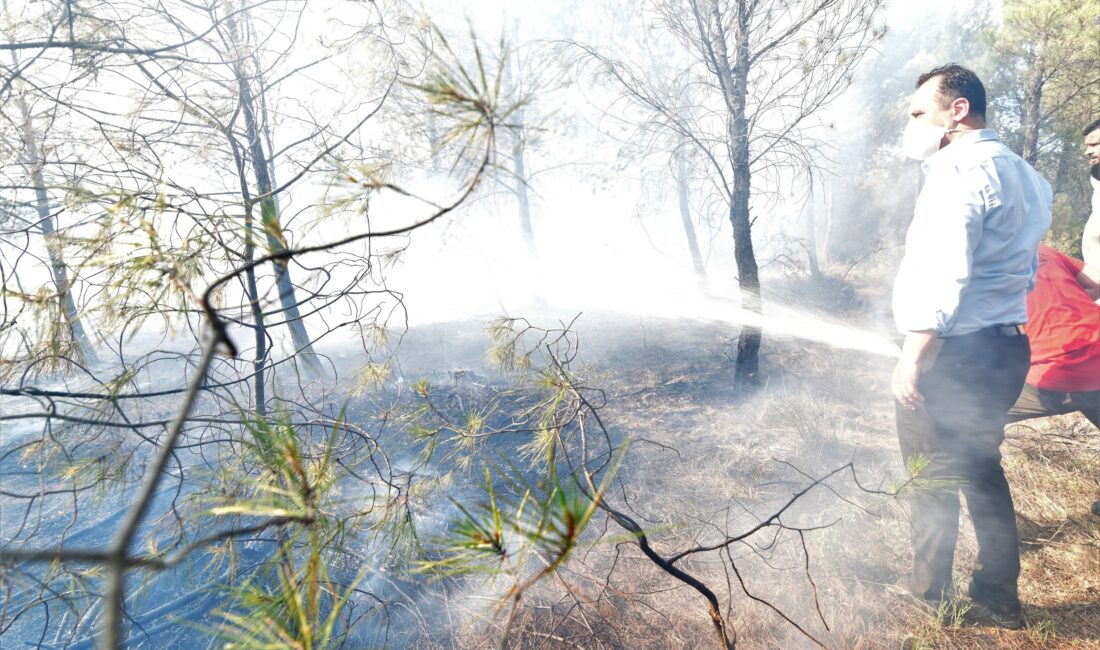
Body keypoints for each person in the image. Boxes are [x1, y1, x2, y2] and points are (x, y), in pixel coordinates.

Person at [890, 64, 1052, 629]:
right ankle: (998, 597)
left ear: (957, 110)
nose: (911, 125)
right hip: (1005, 349)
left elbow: (944, 272)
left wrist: (915, 355)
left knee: (931, 473)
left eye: (917, 113)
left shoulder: (956, 171)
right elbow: (1027, 272)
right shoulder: (1030, 177)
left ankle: (928, 592)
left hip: (953, 354)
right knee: (983, 470)